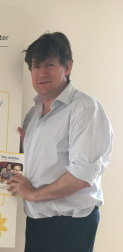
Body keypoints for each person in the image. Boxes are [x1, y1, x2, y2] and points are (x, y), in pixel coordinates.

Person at [6, 32, 113, 252]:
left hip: (70, 226)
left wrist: (33, 194)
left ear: (68, 66)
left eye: (50, 64)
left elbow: (81, 176)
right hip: (37, 223)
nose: (41, 73)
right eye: (36, 66)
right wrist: (16, 150)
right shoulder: (32, 115)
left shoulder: (84, 109)